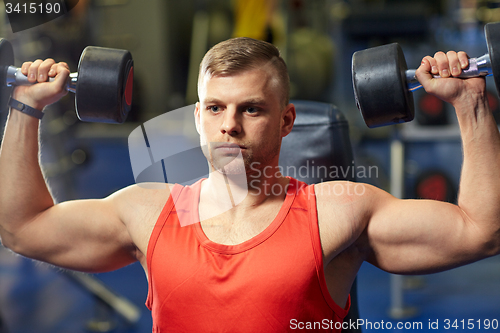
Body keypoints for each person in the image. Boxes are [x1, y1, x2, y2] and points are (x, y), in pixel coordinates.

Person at [0, 37, 499, 332]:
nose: (229, 125)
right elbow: (22, 228)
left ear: (286, 121)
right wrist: (26, 107)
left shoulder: (339, 212)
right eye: (215, 108)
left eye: (251, 109)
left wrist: (469, 104)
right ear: (197, 118)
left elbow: (482, 231)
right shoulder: (145, 213)